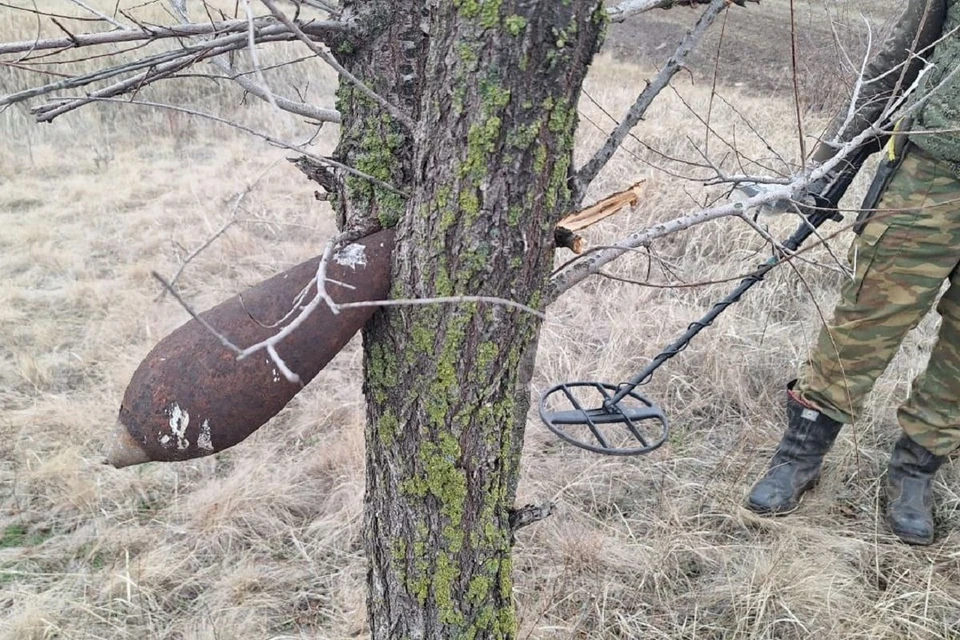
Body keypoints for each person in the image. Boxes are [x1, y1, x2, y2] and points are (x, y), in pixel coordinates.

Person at [746, 0, 960, 545]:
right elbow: (896, 61)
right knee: (866, 320)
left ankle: (915, 473)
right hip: (932, 179)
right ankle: (800, 454)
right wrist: (830, 164)